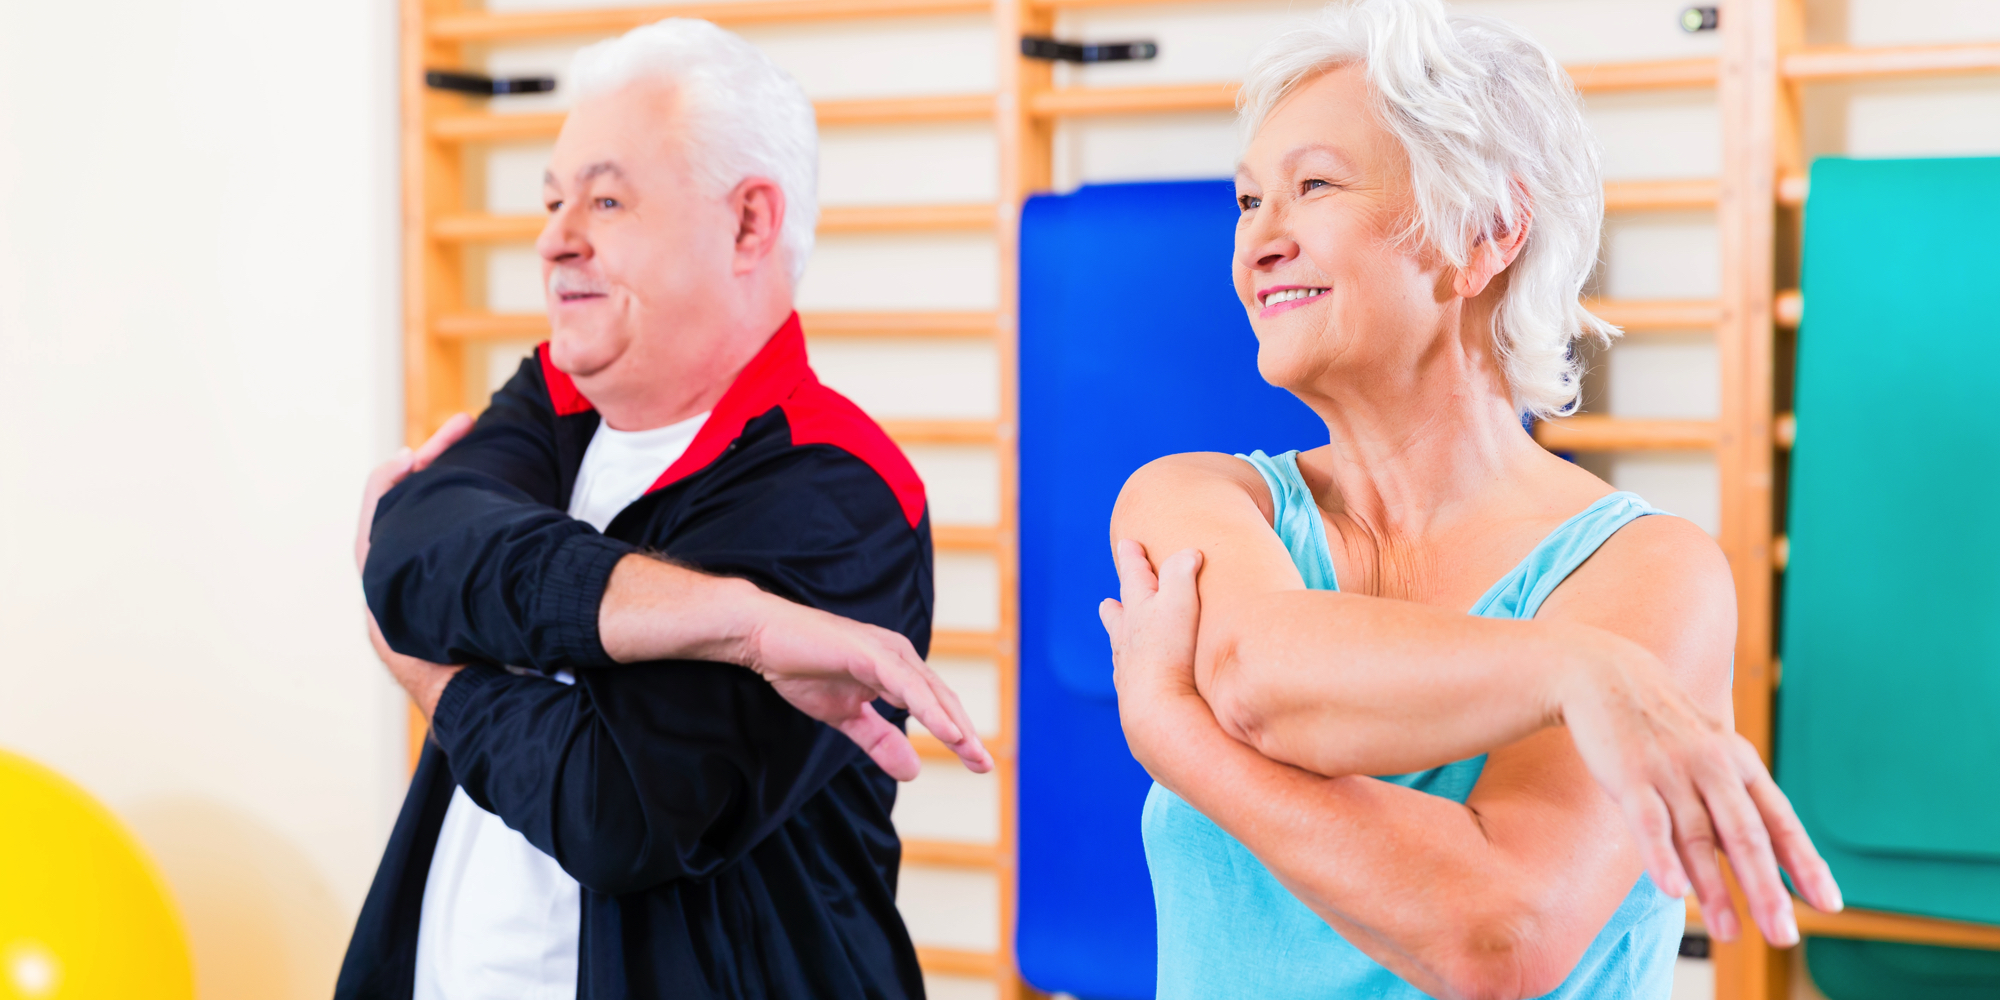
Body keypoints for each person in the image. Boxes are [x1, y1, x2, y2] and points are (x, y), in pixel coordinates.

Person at [1096, 1, 1843, 997]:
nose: (1257, 240)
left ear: (1485, 233)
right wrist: (1568, 670)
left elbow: (1494, 935)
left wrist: (1172, 737)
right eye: (1245, 202)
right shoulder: (1195, 497)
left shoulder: (1647, 575)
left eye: (1311, 185)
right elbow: (1254, 676)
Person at [334, 19, 991, 1000]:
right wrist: (730, 620)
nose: (555, 237)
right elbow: (410, 553)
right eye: (553, 200)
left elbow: (618, 809)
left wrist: (437, 673)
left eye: (605, 198)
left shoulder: (839, 489)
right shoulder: (551, 404)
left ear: (748, 225)